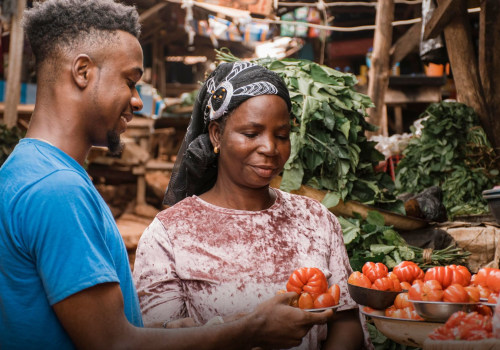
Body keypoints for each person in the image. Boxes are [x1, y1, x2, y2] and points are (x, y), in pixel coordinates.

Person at [0, 1, 333, 349]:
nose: (137, 101)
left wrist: (210, 327)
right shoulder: (58, 190)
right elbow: (114, 344)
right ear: (82, 71)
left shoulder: (22, 170)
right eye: (130, 81)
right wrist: (252, 329)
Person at [133, 61, 372, 349]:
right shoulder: (169, 234)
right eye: (251, 134)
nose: (270, 148)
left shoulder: (315, 219)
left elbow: (346, 322)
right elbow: (159, 340)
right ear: (217, 135)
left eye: (281, 136)